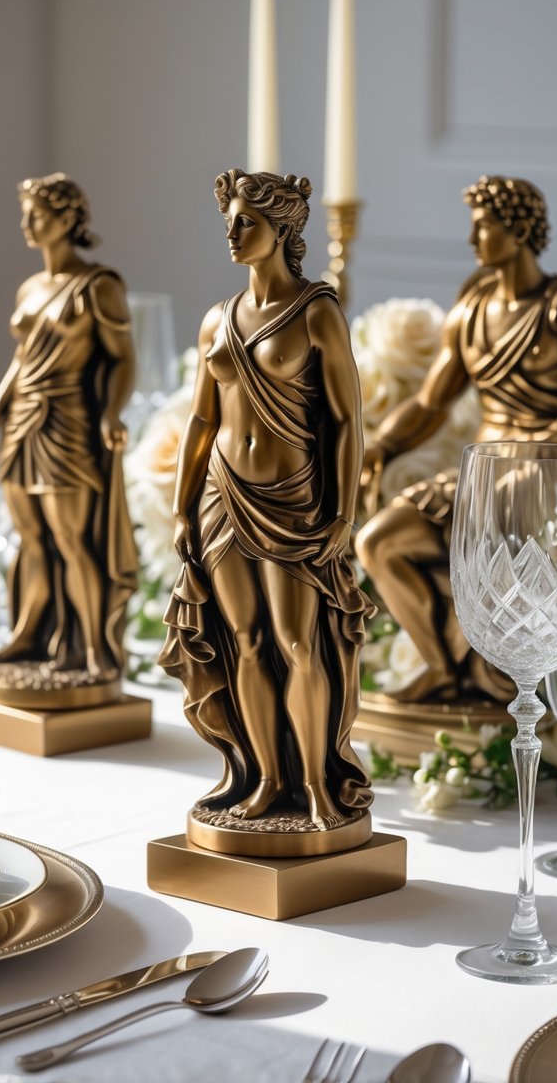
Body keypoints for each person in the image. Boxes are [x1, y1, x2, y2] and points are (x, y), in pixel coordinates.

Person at [159, 168, 373, 834]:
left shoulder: (317, 311)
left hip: (294, 502)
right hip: (222, 496)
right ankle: (265, 782)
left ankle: (316, 785)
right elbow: (201, 420)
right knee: (245, 643)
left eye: (245, 223)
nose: (232, 234)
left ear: (281, 230)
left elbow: (347, 420)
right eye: (228, 222)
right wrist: (181, 505)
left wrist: (343, 514)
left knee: (298, 643)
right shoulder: (215, 319)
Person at [356, 175, 557, 702]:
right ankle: (443, 669)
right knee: (378, 541)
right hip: (480, 472)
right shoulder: (471, 310)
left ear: (518, 229)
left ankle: (499, 679)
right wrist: (380, 447)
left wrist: (526, 461)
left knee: (494, 535)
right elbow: (431, 403)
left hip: (548, 476)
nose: (472, 239)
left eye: (484, 226)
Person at [0, 173, 137, 686]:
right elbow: (21, 360)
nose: (26, 224)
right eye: (25, 213)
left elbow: (122, 359)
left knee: (71, 538)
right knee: (30, 540)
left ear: (67, 220)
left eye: (37, 215)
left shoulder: (99, 286)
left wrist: (111, 414)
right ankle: (29, 636)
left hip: (67, 423)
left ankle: (95, 647)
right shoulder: (30, 287)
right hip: (22, 422)